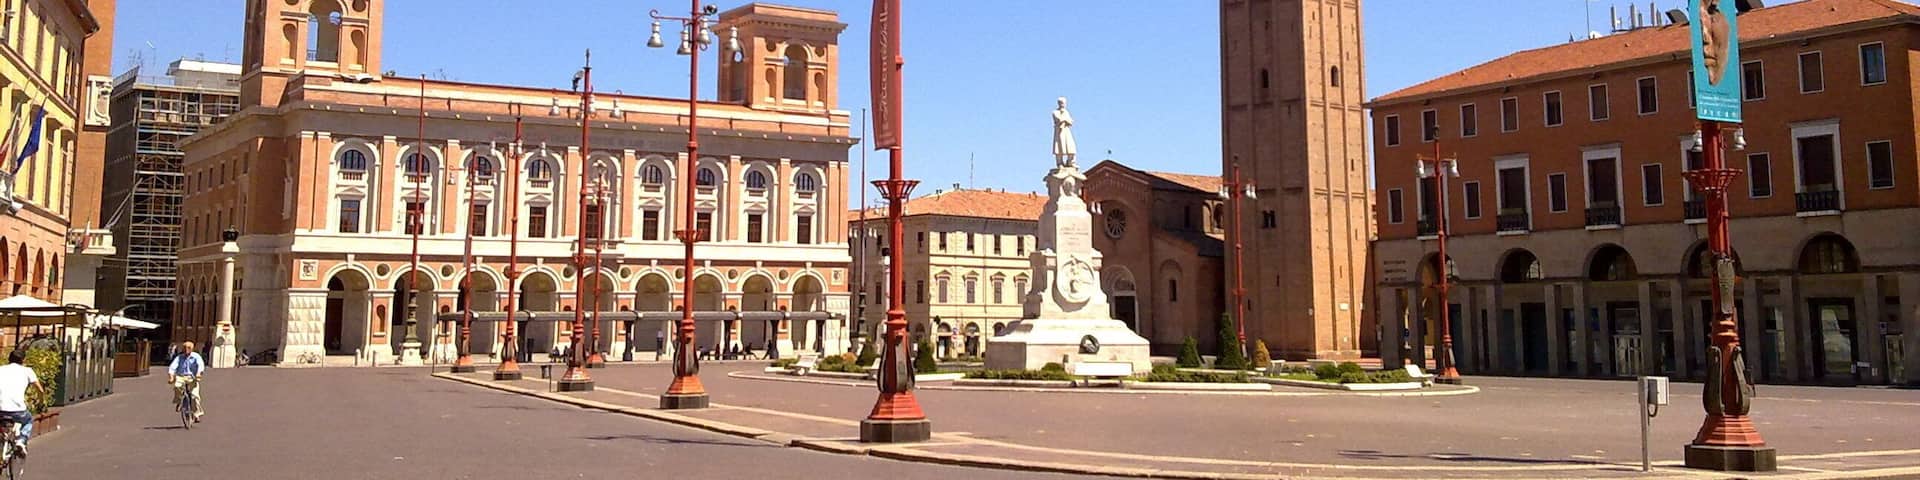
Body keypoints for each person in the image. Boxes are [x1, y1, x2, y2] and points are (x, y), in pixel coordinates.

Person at [0, 350, 45, 456]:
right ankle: (21, 440)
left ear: (9, 359)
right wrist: (41, 402)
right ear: (23, 360)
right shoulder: (27, 371)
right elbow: (40, 390)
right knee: (28, 420)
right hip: (18, 411)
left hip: (0, 409)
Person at [169, 341, 207, 422]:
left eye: (189, 348)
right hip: (181, 376)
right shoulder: (179, 357)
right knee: (177, 386)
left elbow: (201, 365)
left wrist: (199, 373)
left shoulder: (196, 357)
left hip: (192, 377)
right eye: (185, 348)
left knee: (194, 396)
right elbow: (172, 367)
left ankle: (196, 414)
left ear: (192, 349)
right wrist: (171, 377)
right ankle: (179, 401)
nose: (186, 350)